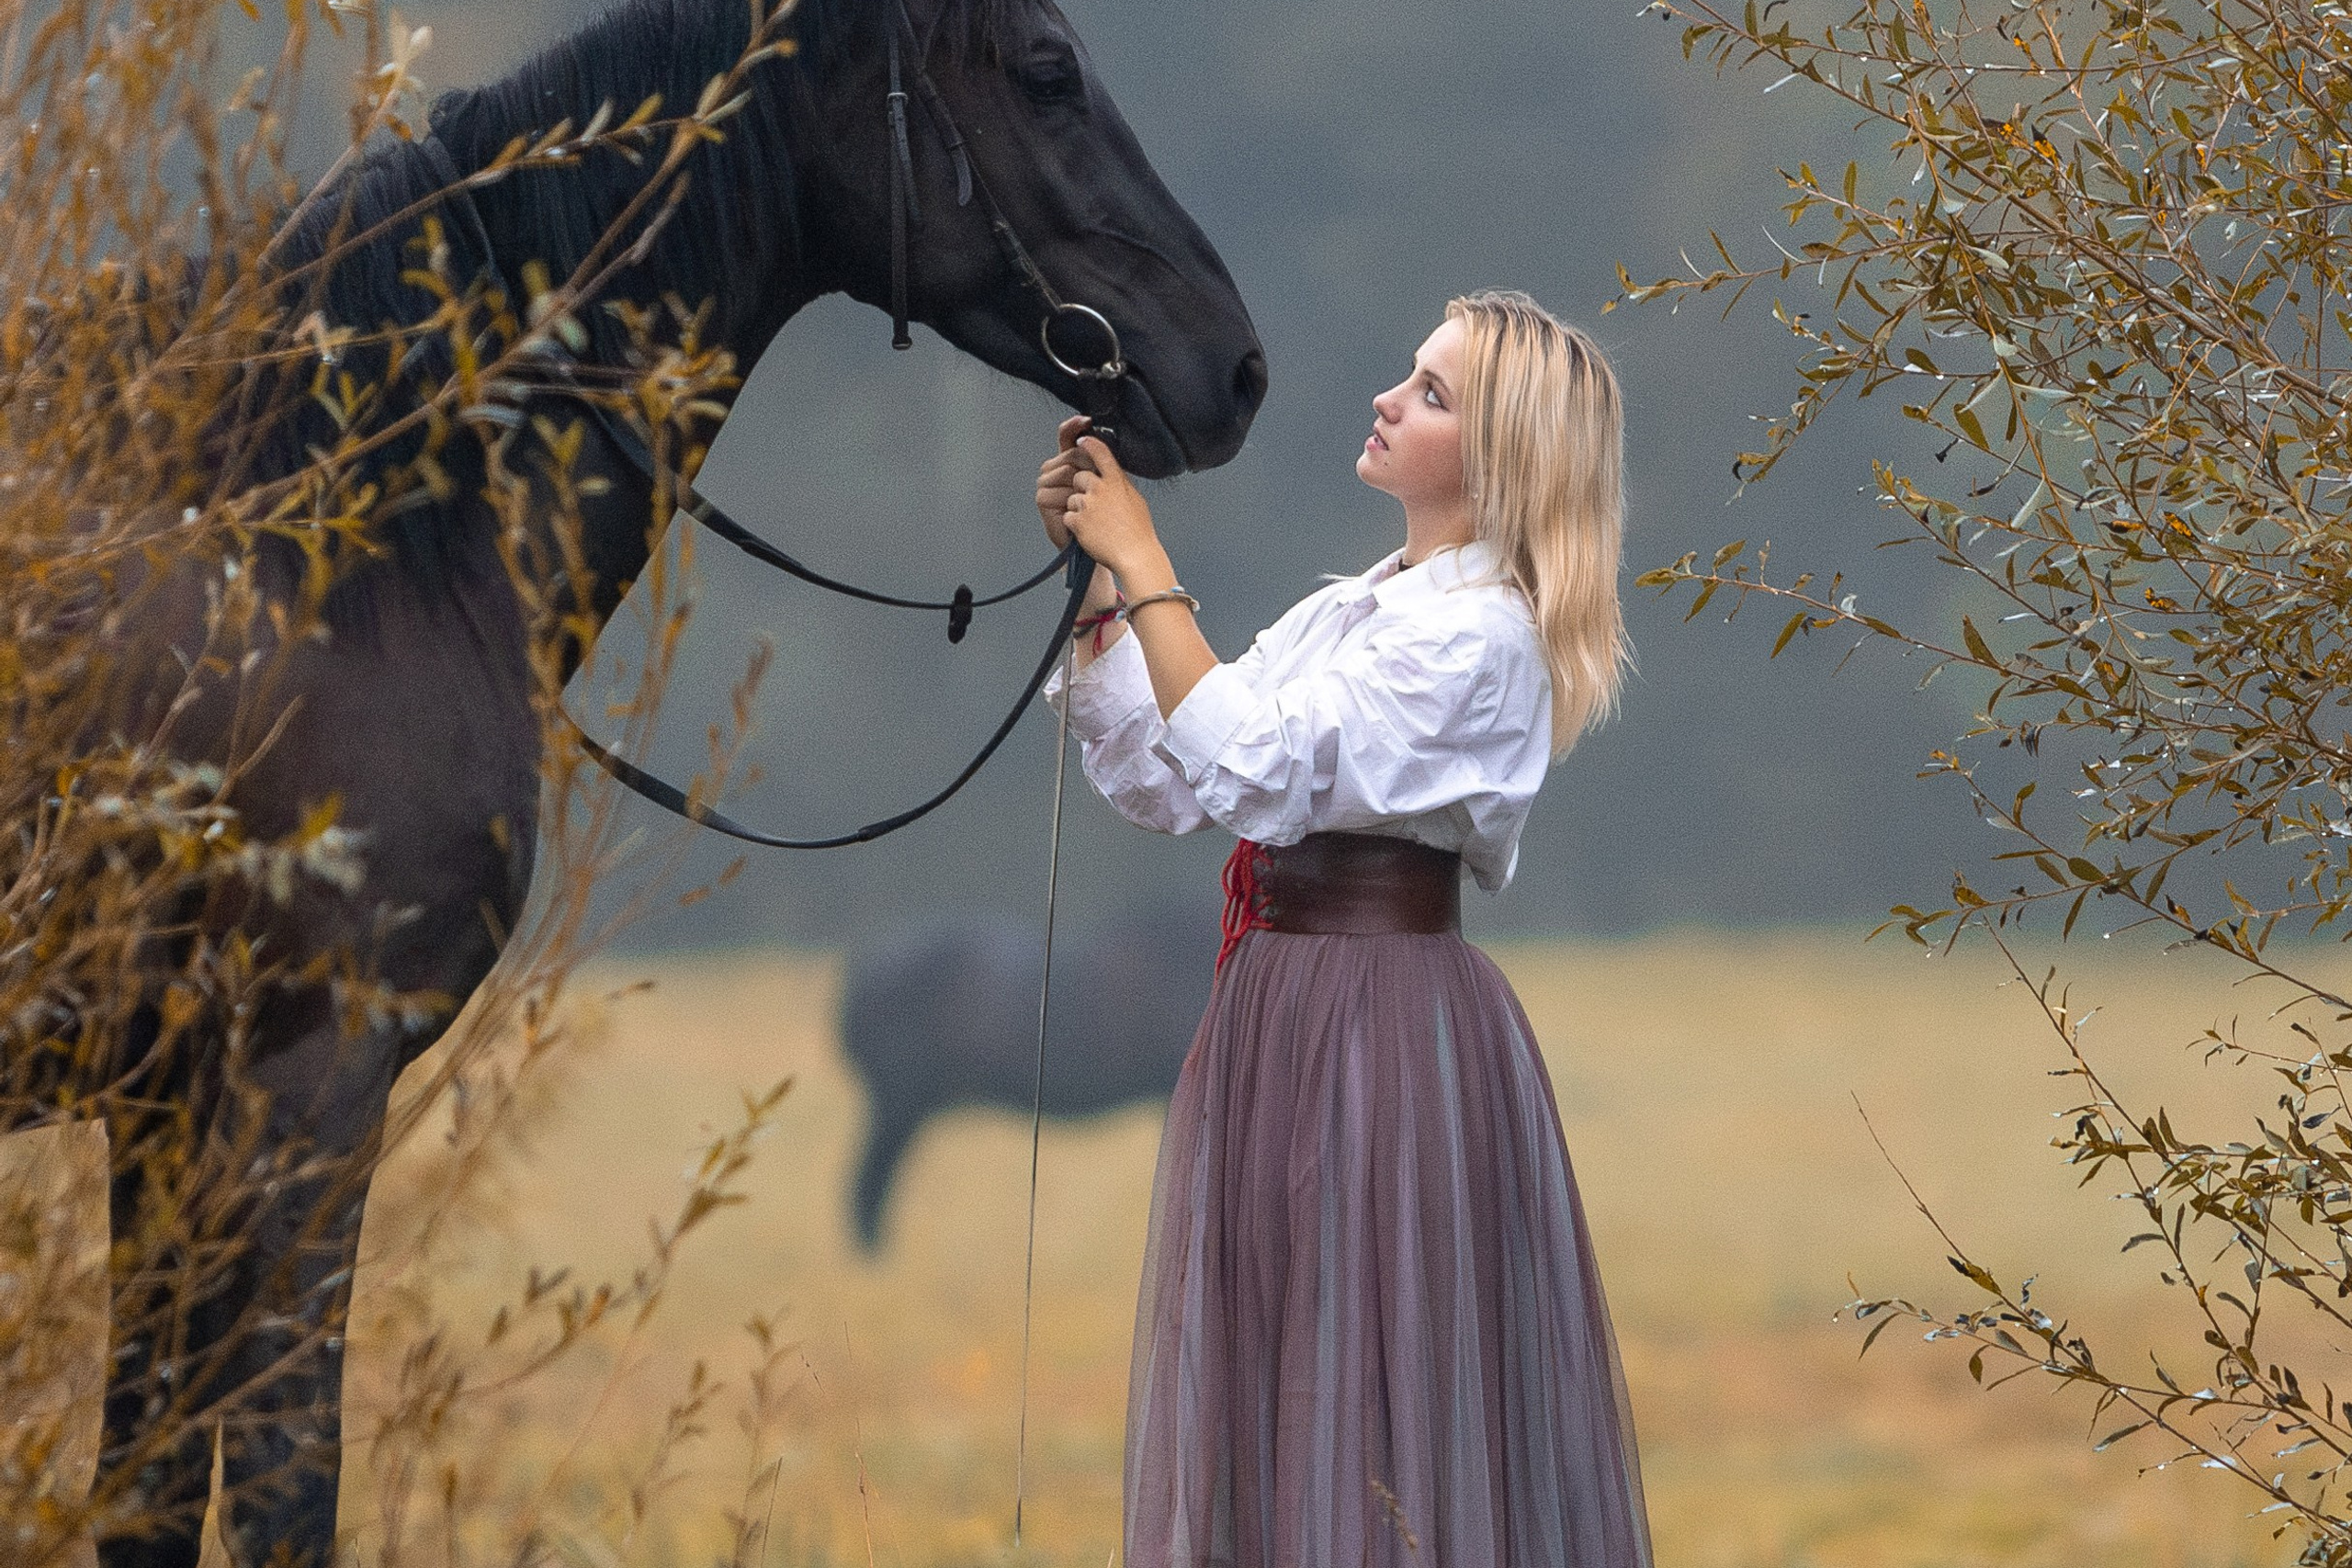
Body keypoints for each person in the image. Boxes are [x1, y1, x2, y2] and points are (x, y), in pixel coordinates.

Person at [1035, 288, 1652, 1568]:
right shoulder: (1353, 610)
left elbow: (1256, 770)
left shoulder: (1480, 637)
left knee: (1370, 1375)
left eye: (1432, 392)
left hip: (1381, 1017)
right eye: (1407, 373)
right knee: (1280, 1360)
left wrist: (1152, 562)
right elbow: (1167, 776)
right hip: (1279, 1007)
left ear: (1504, 457)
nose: (1388, 397)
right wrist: (1106, 588)